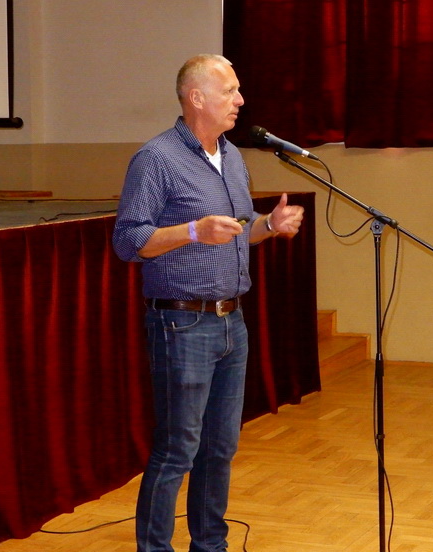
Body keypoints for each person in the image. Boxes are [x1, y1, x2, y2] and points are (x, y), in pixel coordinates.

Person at [112, 53, 304, 552]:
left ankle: (210, 545)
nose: (240, 99)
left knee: (220, 448)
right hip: (181, 324)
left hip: (231, 321)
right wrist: (192, 231)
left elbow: (238, 230)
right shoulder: (156, 159)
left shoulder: (233, 157)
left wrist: (269, 226)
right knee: (177, 449)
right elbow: (128, 241)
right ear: (196, 97)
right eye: (230, 91)